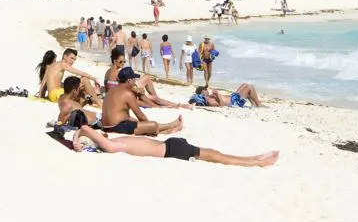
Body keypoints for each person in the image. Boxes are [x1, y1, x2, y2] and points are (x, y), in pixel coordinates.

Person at [71, 125, 279, 166]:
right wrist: (78, 138)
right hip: (170, 149)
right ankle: (256, 161)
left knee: (216, 155)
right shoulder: (113, 145)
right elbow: (85, 128)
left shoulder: (113, 143)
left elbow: (84, 128)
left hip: (170, 147)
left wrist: (75, 140)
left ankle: (256, 160)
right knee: (216, 156)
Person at [101, 67, 183, 136]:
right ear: (129, 81)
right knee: (152, 125)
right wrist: (150, 128)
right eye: (134, 79)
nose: (135, 82)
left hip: (106, 127)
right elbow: (140, 116)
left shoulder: (111, 90)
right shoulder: (128, 94)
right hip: (117, 127)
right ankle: (169, 126)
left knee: (135, 121)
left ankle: (167, 130)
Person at [37, 49, 101, 103]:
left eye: (74, 60)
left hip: (52, 95)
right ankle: (99, 103)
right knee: (84, 79)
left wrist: (41, 97)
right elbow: (81, 73)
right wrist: (94, 79)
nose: (73, 61)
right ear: (65, 56)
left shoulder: (51, 66)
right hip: (56, 94)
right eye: (71, 58)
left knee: (78, 86)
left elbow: (43, 84)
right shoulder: (63, 64)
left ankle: (91, 98)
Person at [193, 84, 262, 107]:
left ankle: (253, 103)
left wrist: (216, 94)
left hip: (232, 97)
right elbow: (222, 106)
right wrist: (218, 95)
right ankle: (258, 104)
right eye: (205, 89)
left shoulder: (209, 96)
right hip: (234, 102)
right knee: (249, 87)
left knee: (244, 85)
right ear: (202, 92)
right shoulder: (208, 100)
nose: (207, 90)